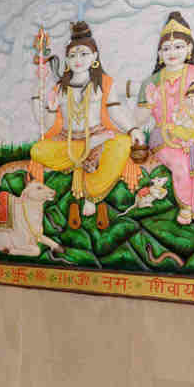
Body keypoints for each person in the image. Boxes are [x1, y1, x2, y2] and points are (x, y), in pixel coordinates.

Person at [31, 21, 144, 230]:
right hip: (68, 140)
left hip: (99, 135)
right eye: (72, 55)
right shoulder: (59, 88)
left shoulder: (103, 83)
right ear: (66, 60)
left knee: (122, 144)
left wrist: (133, 129)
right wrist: (50, 107)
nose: (78, 60)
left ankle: (92, 193)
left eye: (83, 54)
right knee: (37, 150)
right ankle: (87, 147)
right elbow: (46, 126)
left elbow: (115, 111)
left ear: (94, 57)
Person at [135, 11, 194, 224]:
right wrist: (149, 103)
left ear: (189, 49)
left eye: (178, 46)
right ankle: (187, 206)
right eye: (166, 48)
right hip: (166, 135)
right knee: (181, 163)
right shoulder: (151, 82)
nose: (172, 52)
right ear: (159, 54)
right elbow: (139, 119)